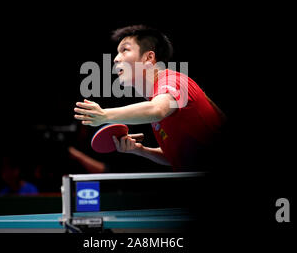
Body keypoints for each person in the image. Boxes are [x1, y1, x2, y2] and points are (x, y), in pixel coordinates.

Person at [74, 25, 226, 171]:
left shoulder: (173, 81)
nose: (115, 59)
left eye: (125, 50)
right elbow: (176, 158)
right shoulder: (158, 98)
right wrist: (140, 150)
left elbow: (156, 109)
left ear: (149, 57)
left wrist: (105, 115)